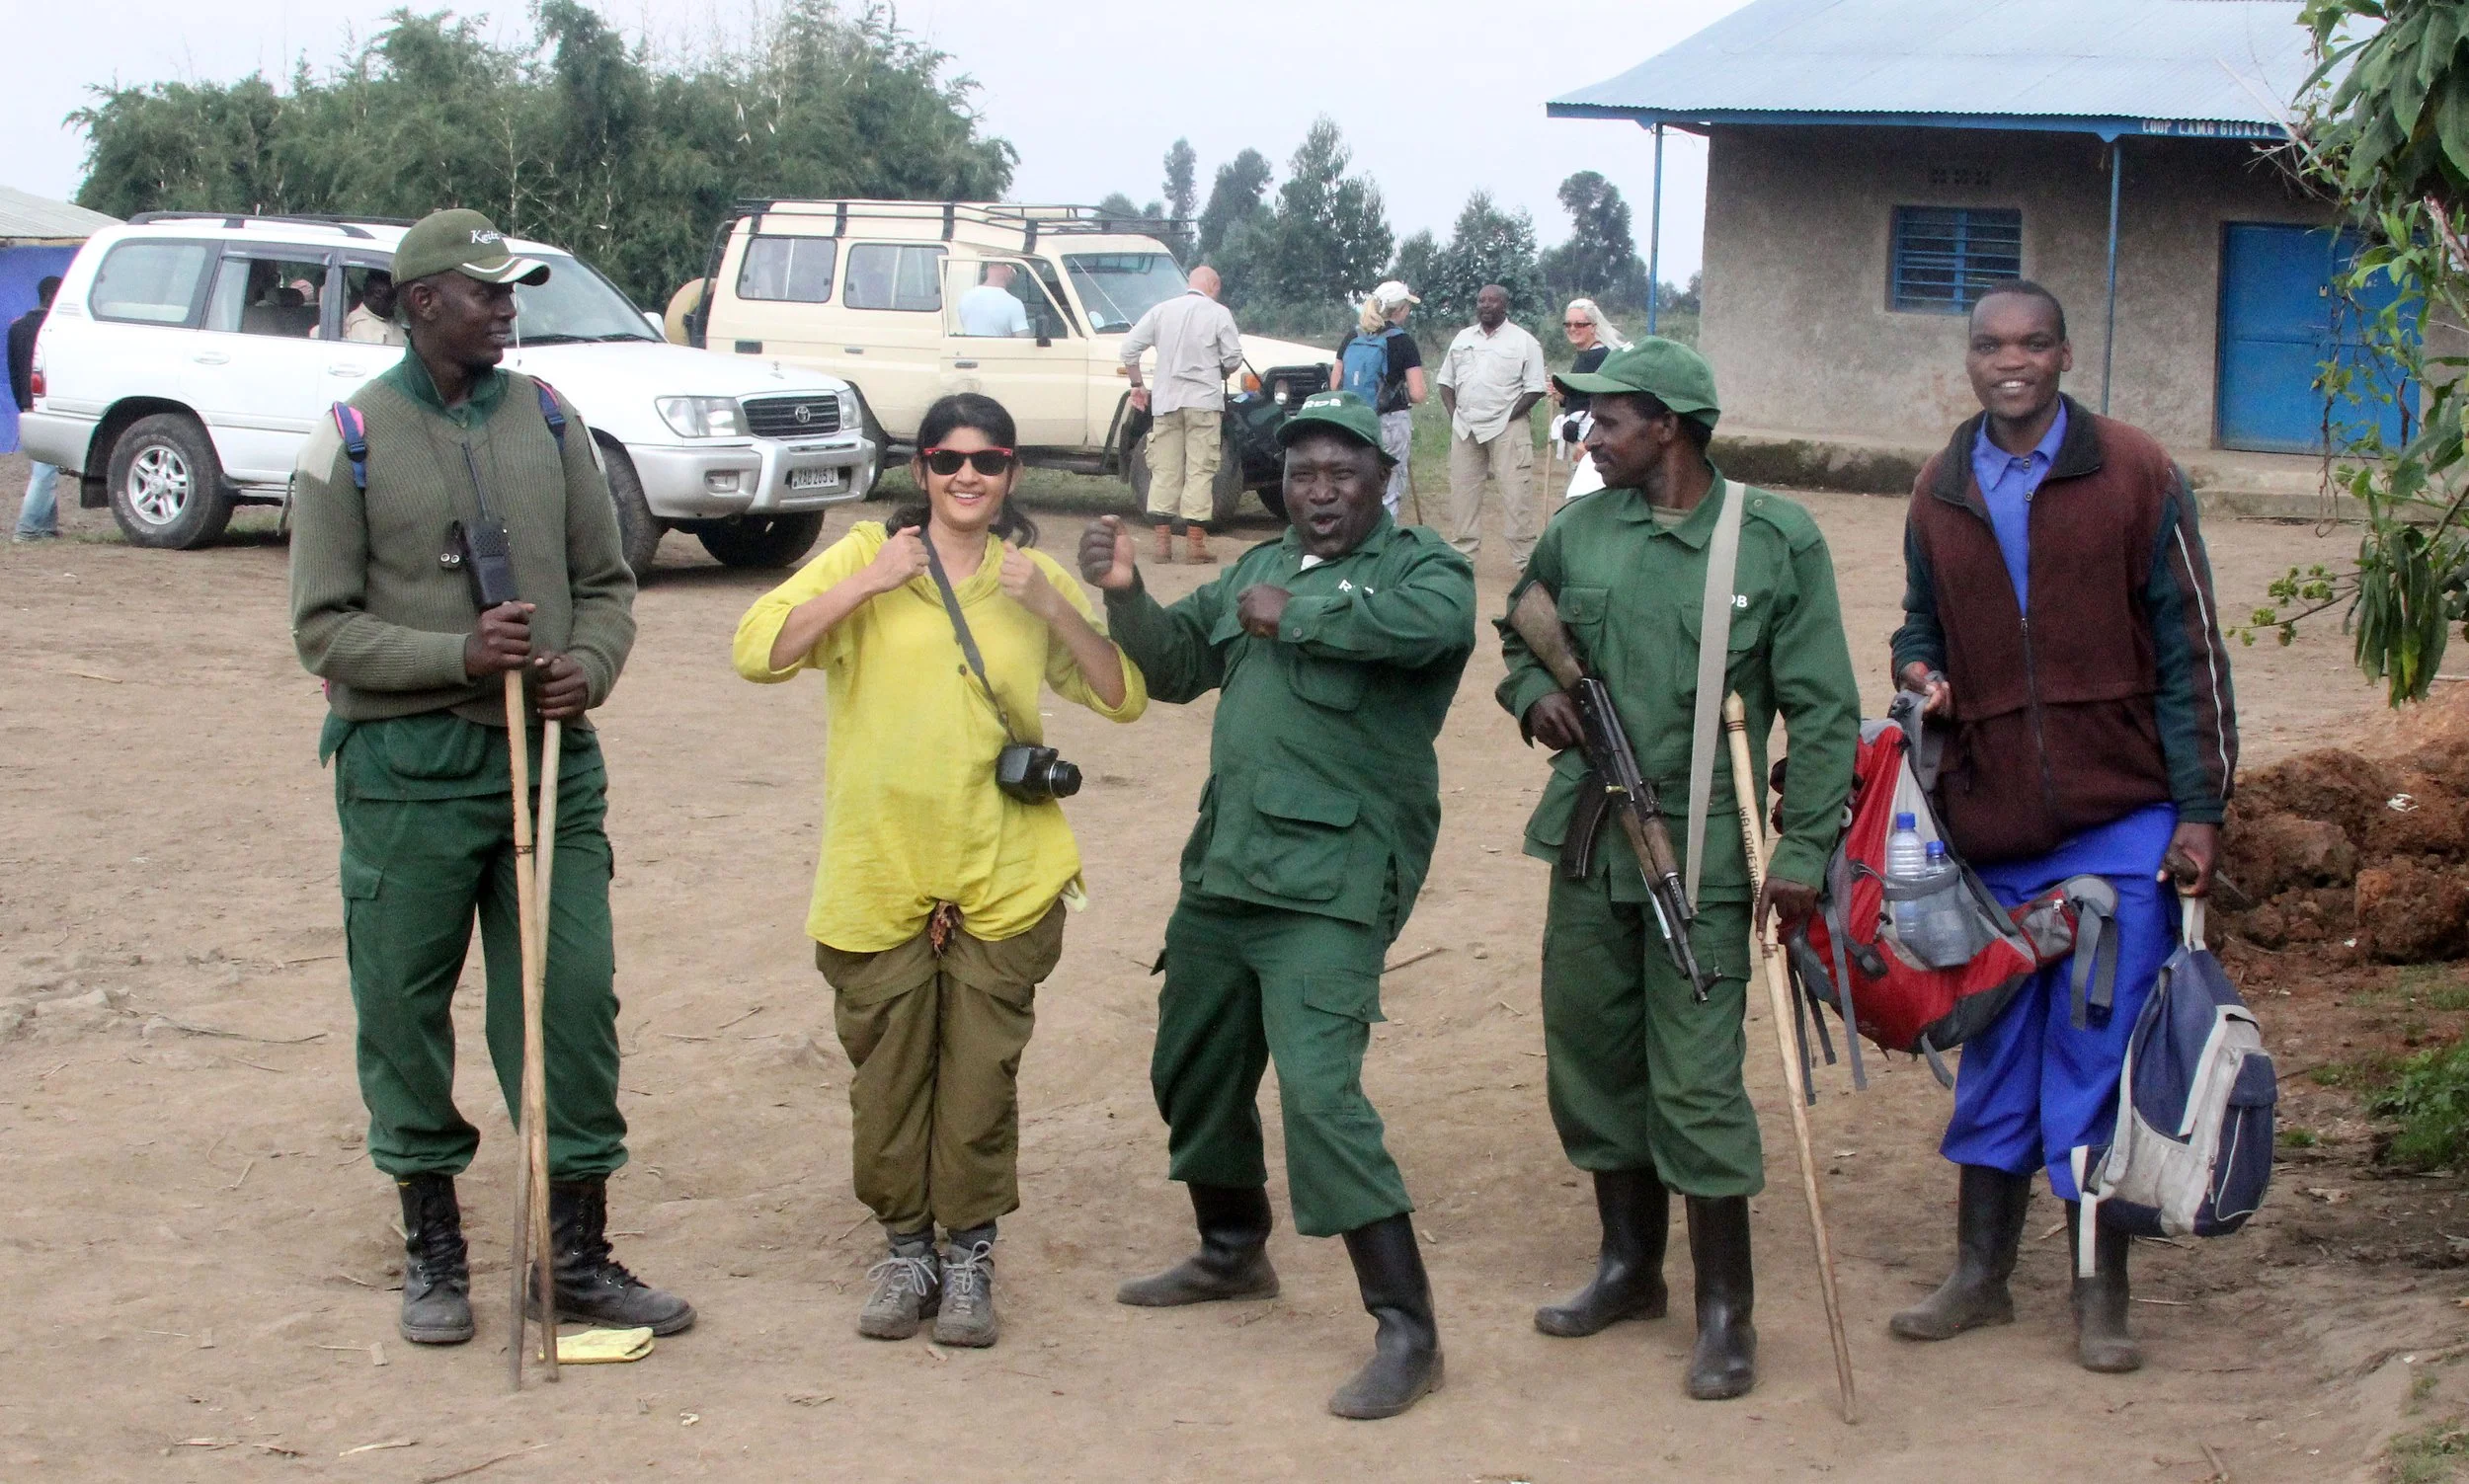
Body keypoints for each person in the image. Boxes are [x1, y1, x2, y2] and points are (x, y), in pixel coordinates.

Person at [288, 208, 692, 1348]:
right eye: (485, 293)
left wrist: (589, 669)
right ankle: (434, 1251)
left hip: (551, 766)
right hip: (407, 771)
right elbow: (323, 632)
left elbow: (608, 585)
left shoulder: (552, 421)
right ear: (423, 304)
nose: (506, 310)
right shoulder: (350, 437)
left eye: (511, 293)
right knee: (404, 1010)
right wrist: (450, 657)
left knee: (570, 1003)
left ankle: (571, 1258)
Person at [1078, 390, 1475, 1420]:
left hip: (1334, 884)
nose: (1321, 492)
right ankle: (1229, 1249)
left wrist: (1300, 615)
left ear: (1381, 478)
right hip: (1228, 868)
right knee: (1192, 1065)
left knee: (1319, 1096)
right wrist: (1125, 594)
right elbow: (1172, 670)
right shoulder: (1256, 565)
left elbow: (1430, 630)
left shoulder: (1422, 570)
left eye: (1342, 473)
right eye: (1302, 474)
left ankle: (1407, 1329)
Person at [732, 392, 1146, 1349]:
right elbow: (757, 650)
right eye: (949, 459)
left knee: (976, 1083)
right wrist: (869, 581)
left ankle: (967, 1256)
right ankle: (905, 1247)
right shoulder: (863, 564)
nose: (969, 476)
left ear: (1010, 476)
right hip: (880, 874)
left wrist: (1054, 606)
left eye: (989, 460)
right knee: (885, 1086)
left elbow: (1121, 696)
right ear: (919, 471)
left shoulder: (1030, 574)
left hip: (1002, 871)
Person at [1496, 340, 1860, 1402]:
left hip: (1706, 852)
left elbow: (1825, 709)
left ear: (1670, 425)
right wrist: (1537, 701)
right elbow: (1521, 634)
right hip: (1588, 840)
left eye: (1608, 422)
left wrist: (1799, 854)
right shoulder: (1579, 530)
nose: (1590, 438)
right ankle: (1628, 1269)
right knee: (1593, 1061)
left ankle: (1724, 1312)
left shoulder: (1772, 540)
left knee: (1696, 1083)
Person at [1886, 280, 2237, 1374]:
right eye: (1991, 345)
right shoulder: (1939, 491)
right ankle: (1979, 1274)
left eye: (2033, 343)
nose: (2011, 362)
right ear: (1969, 362)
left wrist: (2201, 809)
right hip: (1993, 830)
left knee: (2096, 1056)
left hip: (2118, 821)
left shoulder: (2135, 474)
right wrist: (1917, 669)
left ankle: (2099, 1290)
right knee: (1993, 1053)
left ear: (2065, 355)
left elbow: (2191, 650)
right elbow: (1918, 621)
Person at [1121, 264, 1243, 564]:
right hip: (1203, 402)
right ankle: (1195, 545)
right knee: (1200, 470)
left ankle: (1162, 545)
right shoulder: (1218, 313)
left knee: (1164, 469)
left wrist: (1138, 385)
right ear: (1213, 286)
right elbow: (1233, 359)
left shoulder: (1162, 310)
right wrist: (1219, 369)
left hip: (1166, 402)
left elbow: (1128, 350)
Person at [1436, 284, 1548, 568]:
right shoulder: (1462, 338)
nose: (1485, 305)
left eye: (1492, 300)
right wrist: (1454, 415)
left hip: (1508, 429)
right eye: (1481, 300)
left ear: (1505, 305)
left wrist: (1508, 417)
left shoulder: (1524, 342)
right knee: (1462, 494)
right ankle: (1462, 559)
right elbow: (1445, 382)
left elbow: (1535, 389)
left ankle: (1526, 562)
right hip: (1465, 428)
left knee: (1516, 494)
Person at [1329, 280, 1427, 519]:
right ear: (1400, 310)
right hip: (1390, 423)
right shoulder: (1403, 342)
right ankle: (1383, 547)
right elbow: (1418, 393)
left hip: (1353, 422)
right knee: (1388, 490)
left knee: (1355, 484)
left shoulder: (1352, 336)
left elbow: (1335, 385)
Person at [1551, 298, 1629, 501]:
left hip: (1591, 439)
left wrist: (1588, 442)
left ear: (1593, 327)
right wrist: (1563, 397)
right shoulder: (1587, 355)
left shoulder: (1600, 357)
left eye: (1579, 324)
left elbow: (1608, 403)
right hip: (1581, 437)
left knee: (1584, 494)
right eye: (1568, 324)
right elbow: (1584, 397)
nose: (1572, 328)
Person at [10, 275, 60, 543]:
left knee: (44, 465)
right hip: (48, 403)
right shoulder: (54, 328)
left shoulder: (17, 327)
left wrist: (23, 403)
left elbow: (14, 373)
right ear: (53, 297)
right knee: (45, 470)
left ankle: (47, 527)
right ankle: (27, 528)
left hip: (28, 403)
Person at [956, 262, 1031, 339]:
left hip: (970, 349)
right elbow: (1024, 340)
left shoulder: (966, 297)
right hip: (1000, 350)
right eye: (1015, 272)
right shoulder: (1014, 304)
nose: (1014, 277)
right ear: (1009, 270)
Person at [345, 272, 405, 346]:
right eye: (391, 297)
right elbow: (372, 356)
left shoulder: (389, 319)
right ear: (377, 294)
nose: (395, 303)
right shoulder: (362, 324)